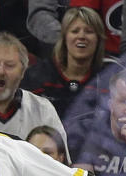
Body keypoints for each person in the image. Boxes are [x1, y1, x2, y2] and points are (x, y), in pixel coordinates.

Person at [0, 33, 70, 158]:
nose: (0, 71)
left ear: (22, 72)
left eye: (9, 65)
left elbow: (62, 162)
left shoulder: (43, 109)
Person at [20, 6, 106, 155]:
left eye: (89, 31)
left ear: (98, 39)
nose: (82, 36)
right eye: (75, 31)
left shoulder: (109, 79)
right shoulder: (36, 77)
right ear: (64, 37)